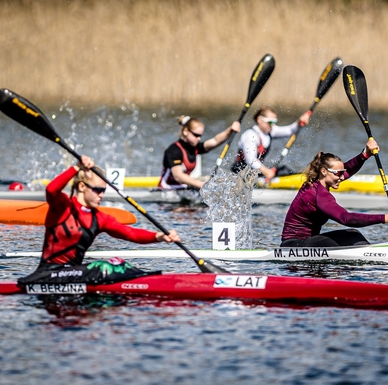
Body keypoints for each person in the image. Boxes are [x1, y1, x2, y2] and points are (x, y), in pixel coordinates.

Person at [18, 156, 181, 286]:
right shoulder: (62, 207)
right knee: (104, 267)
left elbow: (131, 233)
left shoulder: (99, 218)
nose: (101, 195)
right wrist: (76, 167)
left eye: (103, 190)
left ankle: (148, 280)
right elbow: (51, 189)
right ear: (82, 187)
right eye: (97, 190)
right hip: (48, 274)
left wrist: (159, 236)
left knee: (118, 263)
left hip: (74, 274)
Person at [280, 139, 388, 247]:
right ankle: (372, 257)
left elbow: (348, 169)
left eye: (342, 173)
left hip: (305, 242)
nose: (342, 177)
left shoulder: (315, 181)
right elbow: (345, 218)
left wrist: (365, 154)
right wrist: (383, 218)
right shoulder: (319, 194)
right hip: (293, 245)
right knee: (352, 235)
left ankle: (369, 254)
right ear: (323, 171)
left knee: (353, 235)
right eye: (338, 174)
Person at [158, 115, 241, 189]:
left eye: (200, 136)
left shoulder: (195, 147)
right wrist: (200, 184)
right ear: (186, 131)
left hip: (183, 188)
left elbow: (215, 141)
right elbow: (178, 176)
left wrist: (230, 130)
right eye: (196, 135)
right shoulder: (174, 150)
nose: (199, 139)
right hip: (167, 189)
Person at [231, 106, 311, 179]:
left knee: (285, 170)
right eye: (270, 122)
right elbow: (251, 160)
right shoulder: (250, 135)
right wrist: (267, 171)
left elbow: (289, 131)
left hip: (256, 172)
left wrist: (299, 122)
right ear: (259, 120)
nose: (272, 125)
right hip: (241, 174)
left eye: (274, 122)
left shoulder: (270, 131)